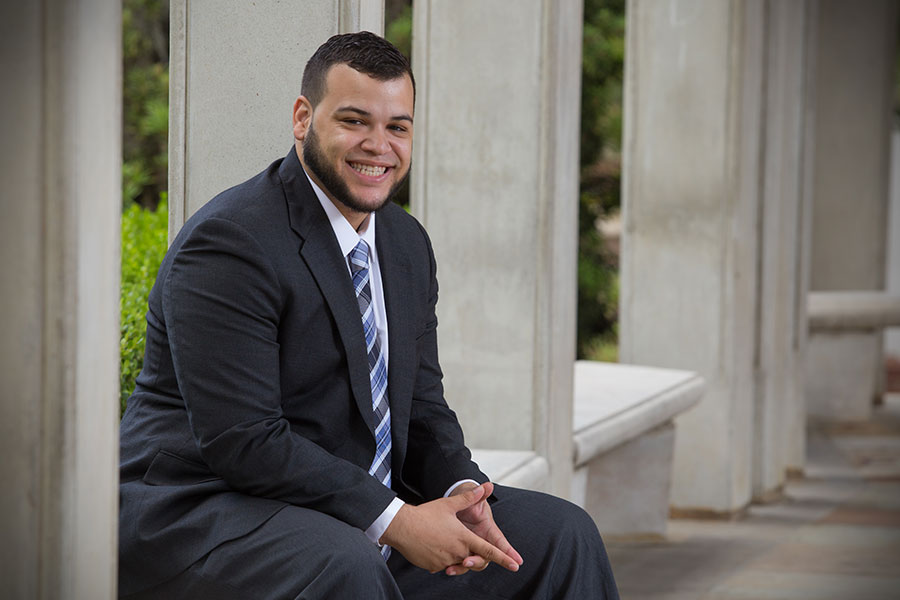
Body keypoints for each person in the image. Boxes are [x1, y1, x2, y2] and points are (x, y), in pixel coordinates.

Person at [118, 31, 619, 599]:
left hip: (342, 509)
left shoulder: (404, 244)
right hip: (206, 507)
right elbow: (244, 440)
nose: (378, 145)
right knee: (347, 563)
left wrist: (466, 492)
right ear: (303, 118)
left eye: (397, 127)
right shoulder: (230, 243)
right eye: (355, 121)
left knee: (560, 534)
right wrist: (396, 521)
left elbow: (422, 405)